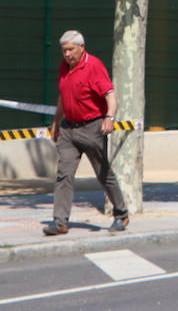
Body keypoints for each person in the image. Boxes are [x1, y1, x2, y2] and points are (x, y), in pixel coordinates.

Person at [45, 29, 128, 235]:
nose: (66, 54)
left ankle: (121, 213)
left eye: (70, 50)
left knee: (103, 173)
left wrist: (109, 117)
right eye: (63, 50)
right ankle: (61, 222)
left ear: (82, 48)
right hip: (68, 129)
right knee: (64, 175)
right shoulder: (64, 68)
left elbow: (110, 96)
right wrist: (56, 123)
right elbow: (63, 97)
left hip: (92, 127)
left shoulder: (94, 66)